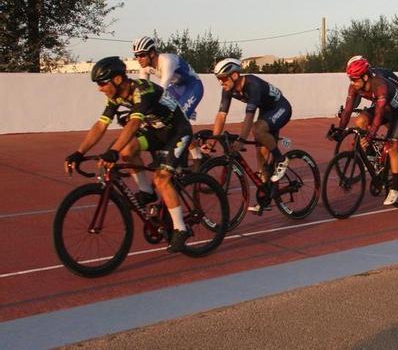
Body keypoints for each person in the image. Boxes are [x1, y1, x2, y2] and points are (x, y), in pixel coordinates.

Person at [63, 57, 193, 252]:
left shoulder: (142, 90)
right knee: (126, 150)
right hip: (157, 131)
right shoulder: (115, 96)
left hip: (177, 131)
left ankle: (180, 228)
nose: (99, 88)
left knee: (161, 179)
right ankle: (146, 192)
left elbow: (133, 124)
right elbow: (101, 125)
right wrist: (78, 152)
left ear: (116, 80)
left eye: (102, 83)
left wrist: (112, 152)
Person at [207, 58, 292, 212]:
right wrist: (213, 141)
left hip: (280, 107)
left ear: (234, 76)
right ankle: (265, 196)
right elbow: (221, 115)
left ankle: (281, 159)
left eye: (222, 78)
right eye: (218, 79)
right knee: (260, 155)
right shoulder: (227, 89)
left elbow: (249, 116)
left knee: (257, 129)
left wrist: (241, 140)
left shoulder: (253, 85)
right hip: (266, 111)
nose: (220, 83)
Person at [335, 57, 398, 206]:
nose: (353, 83)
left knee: (391, 147)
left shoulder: (379, 85)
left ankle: (394, 188)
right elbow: (348, 109)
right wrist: (339, 130)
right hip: (382, 107)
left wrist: (370, 135)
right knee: (360, 121)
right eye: (350, 79)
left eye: (355, 79)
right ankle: (372, 156)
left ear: (365, 76)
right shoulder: (355, 86)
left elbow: (379, 115)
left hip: (397, 112)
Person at [132, 36, 205, 165]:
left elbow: (162, 90)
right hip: (176, 87)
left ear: (152, 53)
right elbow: (143, 90)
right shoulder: (144, 67)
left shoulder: (166, 61)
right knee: (159, 119)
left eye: (142, 55)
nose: (139, 59)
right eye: (136, 56)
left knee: (178, 122)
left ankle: (197, 157)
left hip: (192, 86)